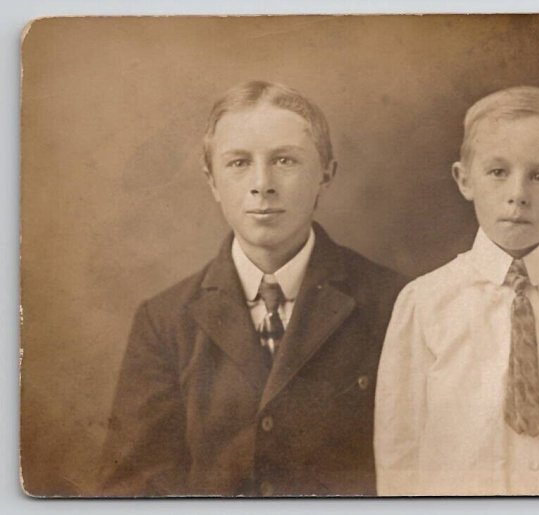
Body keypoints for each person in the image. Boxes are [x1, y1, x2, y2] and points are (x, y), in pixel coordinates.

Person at [99, 80, 406, 497]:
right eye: (239, 163)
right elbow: (134, 489)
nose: (262, 184)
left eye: (285, 160)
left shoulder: (395, 303)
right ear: (212, 182)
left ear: (326, 174)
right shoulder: (165, 321)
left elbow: (423, 470)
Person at [374, 86, 539, 495]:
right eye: (498, 171)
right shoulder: (425, 302)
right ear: (465, 180)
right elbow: (400, 450)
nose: (518, 195)